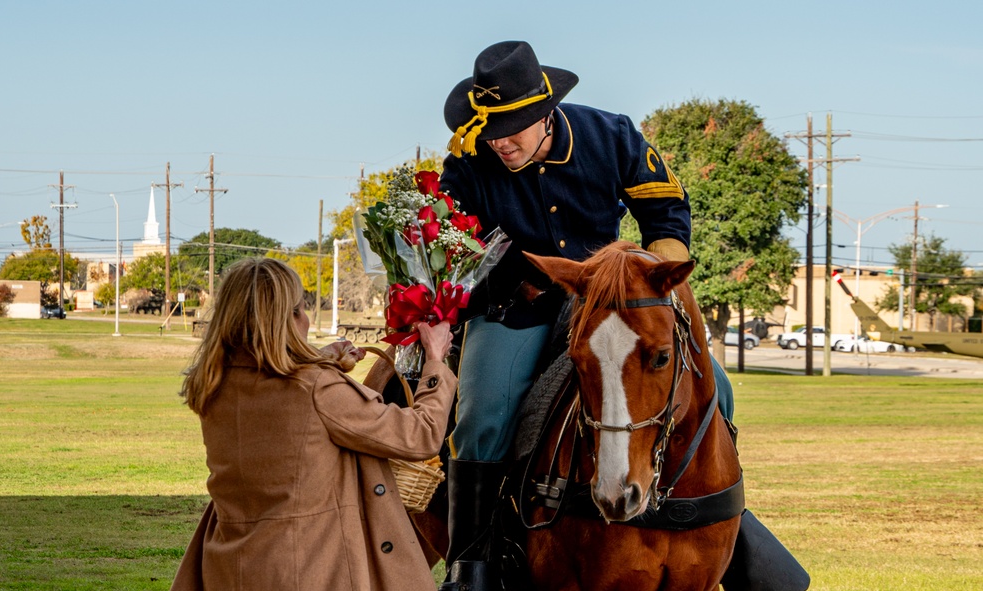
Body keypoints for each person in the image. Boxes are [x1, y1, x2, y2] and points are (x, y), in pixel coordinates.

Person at [438, 40, 734, 588]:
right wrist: (513, 281)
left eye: (514, 128)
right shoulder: (468, 160)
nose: (501, 142)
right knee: (481, 416)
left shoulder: (612, 135)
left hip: (614, 302)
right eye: (493, 129)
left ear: (546, 113)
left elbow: (665, 209)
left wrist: (660, 280)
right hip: (515, 306)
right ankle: (471, 562)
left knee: (717, 388)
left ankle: (723, 528)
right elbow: (459, 246)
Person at [169, 257, 457, 591]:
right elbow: (419, 436)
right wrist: (435, 362)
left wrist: (323, 358)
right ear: (281, 320)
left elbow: (275, 382)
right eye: (298, 310)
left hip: (227, 566)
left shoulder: (215, 384)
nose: (306, 319)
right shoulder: (316, 388)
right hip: (308, 570)